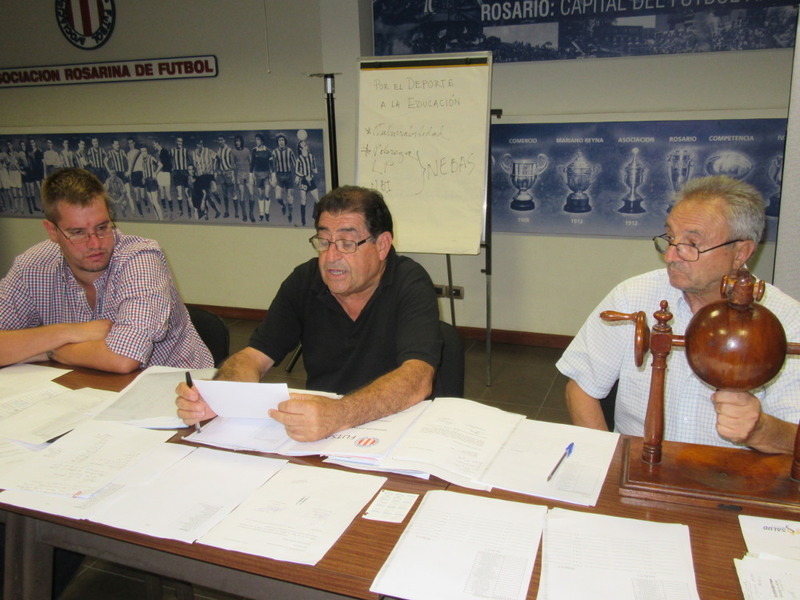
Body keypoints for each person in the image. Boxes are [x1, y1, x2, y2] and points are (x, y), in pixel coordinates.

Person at [176, 185, 443, 442]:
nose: (331, 257)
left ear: (382, 245)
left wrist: (340, 413)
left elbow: (417, 378)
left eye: (347, 243)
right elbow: (254, 357)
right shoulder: (306, 280)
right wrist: (220, 396)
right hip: (322, 430)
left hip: (395, 426)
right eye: (324, 242)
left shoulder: (410, 282)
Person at [557, 175, 800, 454]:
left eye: (692, 244)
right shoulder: (633, 296)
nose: (671, 255)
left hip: (732, 482)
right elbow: (582, 387)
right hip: (636, 468)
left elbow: (794, 437)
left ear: (741, 252)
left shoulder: (785, 321)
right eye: (671, 238)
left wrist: (759, 429)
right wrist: (603, 463)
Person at [0, 167, 213, 373]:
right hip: (85, 383)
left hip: (174, 390)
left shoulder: (140, 258)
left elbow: (123, 358)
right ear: (52, 231)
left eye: (102, 228)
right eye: (77, 232)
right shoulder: (33, 266)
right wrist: (69, 332)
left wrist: (49, 350)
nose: (95, 244)